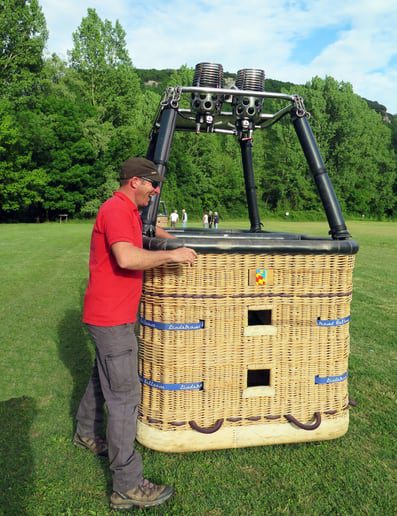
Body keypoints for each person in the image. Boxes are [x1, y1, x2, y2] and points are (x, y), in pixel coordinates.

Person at [74, 157, 197, 510]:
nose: (155, 190)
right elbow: (127, 257)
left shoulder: (127, 211)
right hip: (111, 318)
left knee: (104, 377)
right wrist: (171, 256)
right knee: (125, 397)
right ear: (134, 182)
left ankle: (86, 432)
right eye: (151, 184)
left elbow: (143, 235)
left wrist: (171, 239)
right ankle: (126, 485)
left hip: (110, 315)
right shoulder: (115, 210)